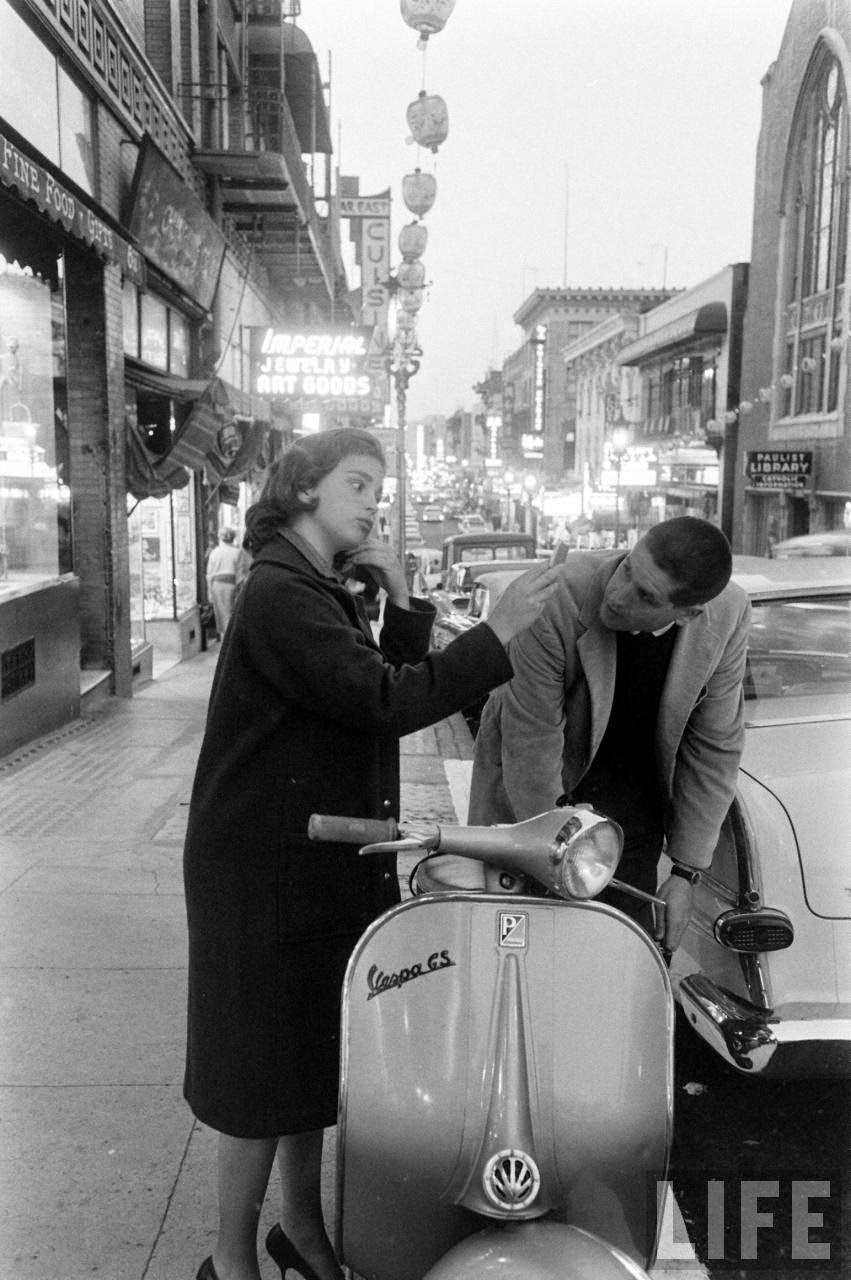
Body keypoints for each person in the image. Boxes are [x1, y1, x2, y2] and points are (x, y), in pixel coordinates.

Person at [183, 427, 560, 1280]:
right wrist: (496, 632)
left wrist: (403, 600)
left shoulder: (319, 586)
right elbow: (384, 700)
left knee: (308, 1062)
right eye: (356, 484)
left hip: (316, 855)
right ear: (303, 488)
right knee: (257, 1075)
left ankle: (300, 1229)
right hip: (264, 867)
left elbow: (369, 693)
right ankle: (228, 1260)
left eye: (376, 490)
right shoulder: (281, 592)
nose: (372, 504)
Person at [469, 516, 751, 954]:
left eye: (645, 595)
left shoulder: (728, 614)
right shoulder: (557, 596)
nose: (617, 596)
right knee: (520, 961)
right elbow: (531, 740)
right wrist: (557, 850)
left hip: (632, 822)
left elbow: (714, 747)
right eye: (627, 568)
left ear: (688, 614)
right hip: (531, 808)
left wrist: (685, 874)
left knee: (616, 964)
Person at [205, 527, 242, 638]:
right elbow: (240, 573)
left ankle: (224, 638)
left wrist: (209, 592)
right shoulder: (237, 552)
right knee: (231, 613)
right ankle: (230, 638)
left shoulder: (215, 552)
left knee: (221, 615)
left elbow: (209, 574)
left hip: (217, 585)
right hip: (231, 584)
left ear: (220, 538)